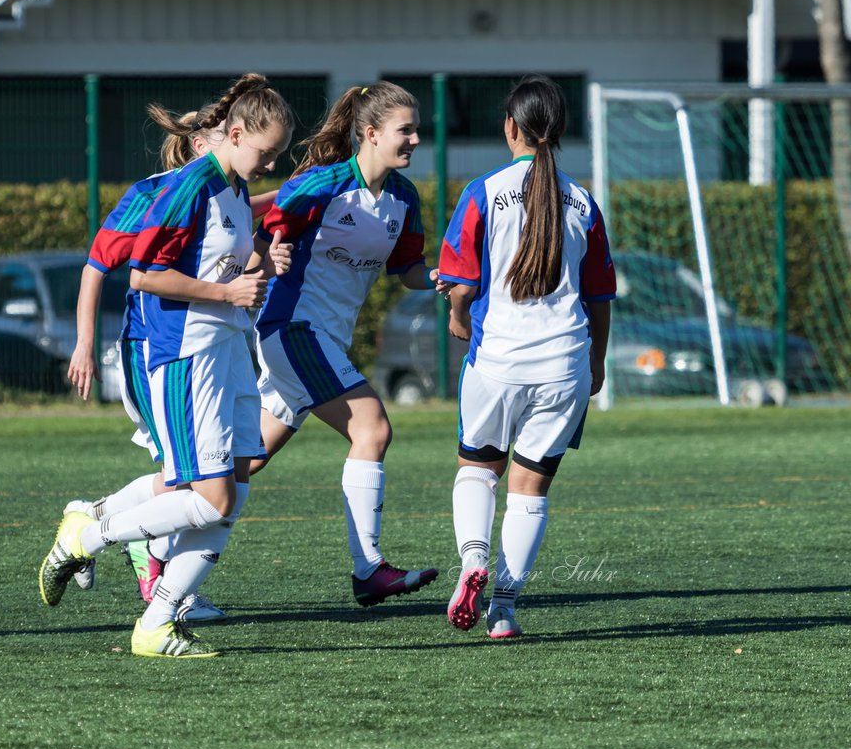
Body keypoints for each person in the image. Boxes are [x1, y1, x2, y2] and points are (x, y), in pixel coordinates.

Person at [38, 73, 294, 658]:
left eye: (278, 155)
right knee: (207, 496)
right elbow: (144, 274)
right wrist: (227, 294)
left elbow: (226, 269)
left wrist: (261, 266)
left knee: (242, 472)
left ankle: (159, 619)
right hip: (186, 352)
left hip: (228, 347)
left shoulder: (231, 188)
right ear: (232, 134)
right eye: (266, 153)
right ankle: (91, 534)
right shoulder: (189, 186)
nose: (271, 165)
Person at [249, 81, 444, 607]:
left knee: (239, 463)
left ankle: (115, 527)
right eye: (406, 130)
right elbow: (254, 224)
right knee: (372, 427)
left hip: (320, 341)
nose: (416, 139)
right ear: (371, 132)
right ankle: (369, 569)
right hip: (292, 330)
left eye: (417, 129)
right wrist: (266, 255)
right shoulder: (324, 184)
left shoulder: (403, 198)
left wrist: (453, 276)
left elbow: (408, 272)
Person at [437, 75, 615, 639]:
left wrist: (457, 319)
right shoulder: (583, 199)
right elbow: (600, 296)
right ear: (559, 130)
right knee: (530, 488)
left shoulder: (484, 192)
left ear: (509, 127)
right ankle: (505, 609)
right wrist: (598, 363)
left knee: (477, 470)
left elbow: (460, 282)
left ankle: (472, 564)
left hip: (498, 361)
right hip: (566, 360)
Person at [62, 104, 229, 623]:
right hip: (148, 348)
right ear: (203, 145)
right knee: (189, 480)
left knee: (191, 477)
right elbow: (96, 267)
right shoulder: (153, 191)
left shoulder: (226, 190)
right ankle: (110, 536)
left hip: (191, 347)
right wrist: (84, 343)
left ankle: (115, 538)